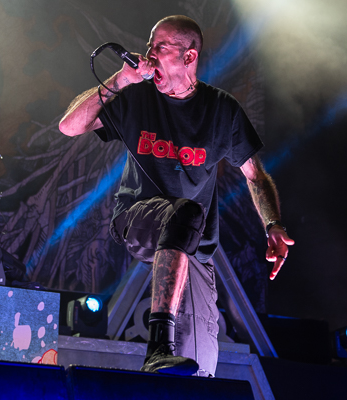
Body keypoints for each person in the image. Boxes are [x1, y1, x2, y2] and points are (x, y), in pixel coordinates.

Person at [59, 15, 294, 377]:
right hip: (139, 218)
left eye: (160, 47)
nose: (150, 55)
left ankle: (168, 364)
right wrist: (120, 79)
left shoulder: (221, 110)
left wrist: (273, 224)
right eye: (149, 46)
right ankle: (158, 346)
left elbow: (255, 175)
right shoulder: (137, 95)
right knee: (186, 212)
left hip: (193, 244)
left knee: (199, 367)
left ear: (189, 56)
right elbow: (70, 126)